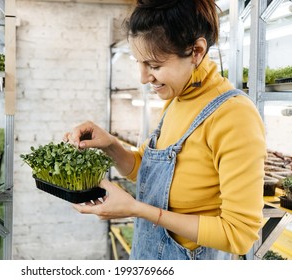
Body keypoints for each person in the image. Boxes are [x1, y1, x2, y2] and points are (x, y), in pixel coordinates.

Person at [64, 0, 266, 260]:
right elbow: (148, 175)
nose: (143, 77)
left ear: (196, 51)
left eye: (155, 65)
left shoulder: (233, 116)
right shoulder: (177, 99)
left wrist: (137, 209)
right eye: (139, 62)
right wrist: (111, 145)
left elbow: (239, 235)